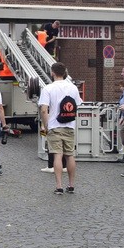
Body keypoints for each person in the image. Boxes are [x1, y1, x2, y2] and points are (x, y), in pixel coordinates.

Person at [37, 62, 82, 194]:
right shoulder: (73, 88)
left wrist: (46, 126)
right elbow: (76, 105)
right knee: (70, 155)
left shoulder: (48, 89)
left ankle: (59, 186)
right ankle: (72, 185)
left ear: (52, 72)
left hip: (55, 126)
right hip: (69, 125)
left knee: (57, 155)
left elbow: (44, 110)